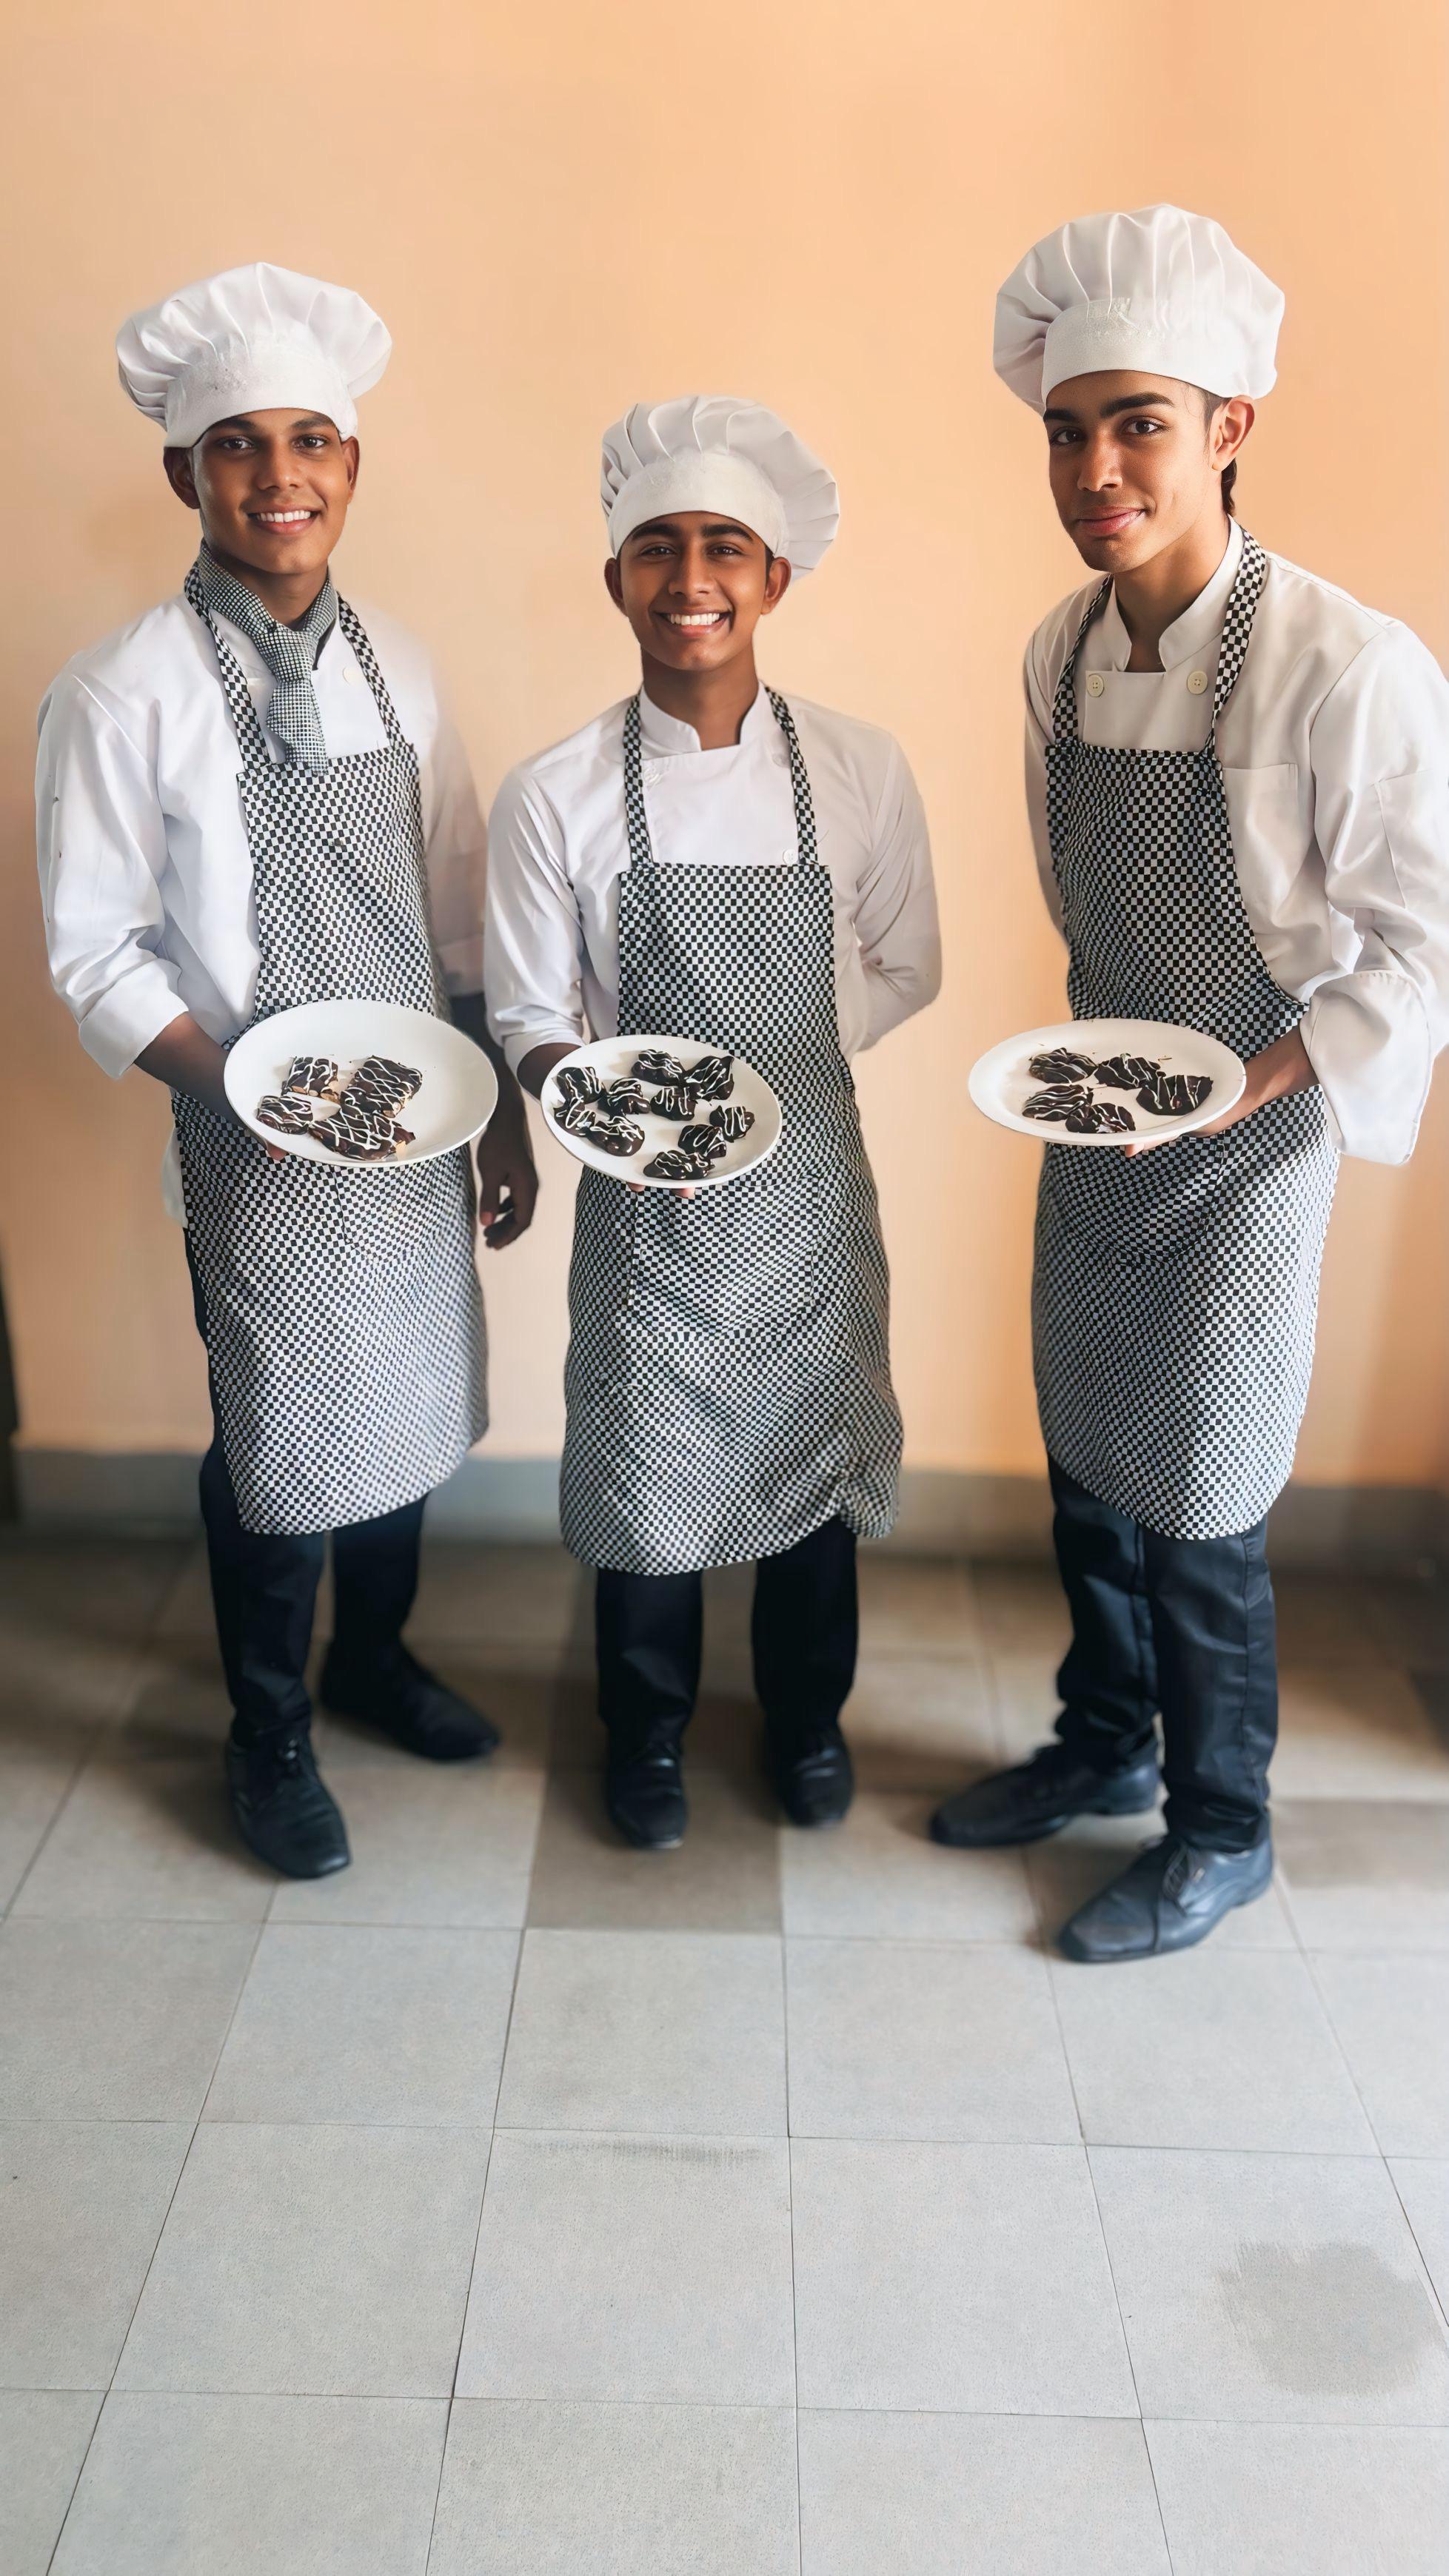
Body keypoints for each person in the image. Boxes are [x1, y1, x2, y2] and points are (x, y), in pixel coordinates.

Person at [932, 206, 1449, 1958]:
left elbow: (1419, 944)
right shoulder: (1055, 650)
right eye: (1066, 431)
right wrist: (1111, 1073)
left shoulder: (1345, 664)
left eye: (1137, 424)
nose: (1094, 470)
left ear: (1229, 426)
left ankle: (1222, 1829)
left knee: (1204, 1501)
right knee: (1089, 1457)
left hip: (1253, 1135)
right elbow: (1077, 891)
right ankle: (1104, 1740)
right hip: (1099, 1113)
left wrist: (1253, 1081)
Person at [37, 264, 538, 1879]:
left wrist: (499, 1110)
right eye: (238, 445)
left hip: (422, 1117)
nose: (279, 475)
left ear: (352, 466)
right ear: (181, 474)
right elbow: (97, 955)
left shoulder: (404, 665)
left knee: (404, 1402)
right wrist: (250, 1091)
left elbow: (456, 899)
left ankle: (372, 1660)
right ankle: (268, 1735)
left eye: (310, 439)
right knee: (277, 1437)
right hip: (250, 1139)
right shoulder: (121, 690)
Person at [486, 397, 940, 1847]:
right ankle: (645, 1737)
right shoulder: (553, 792)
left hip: (808, 1200)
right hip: (646, 1208)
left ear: (774, 578)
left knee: (811, 1470)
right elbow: (530, 1014)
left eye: (725, 548)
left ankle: (807, 1724)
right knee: (646, 1484)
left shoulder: (861, 767)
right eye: (658, 548)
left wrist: (776, 1072)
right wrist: (638, 1117)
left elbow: (906, 963)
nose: (691, 578)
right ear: (615, 578)